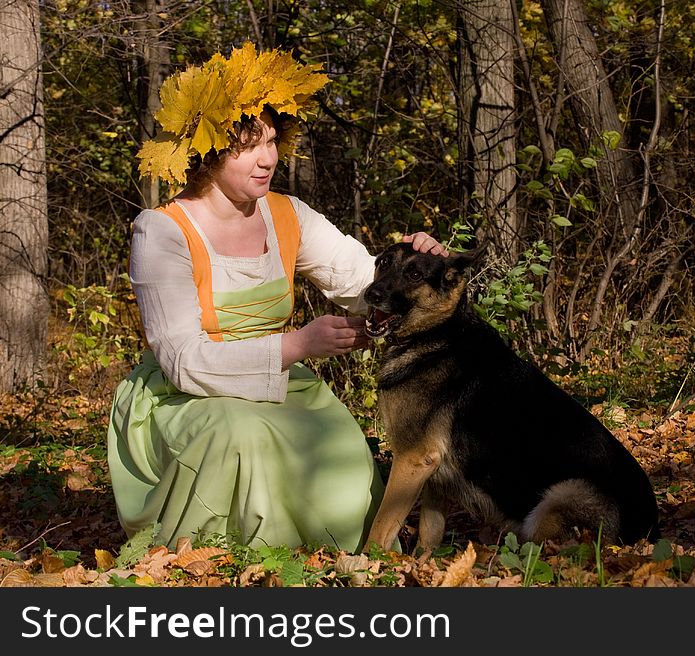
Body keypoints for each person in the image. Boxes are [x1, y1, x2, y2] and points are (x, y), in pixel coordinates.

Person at [107, 43, 447, 553]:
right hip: (185, 396)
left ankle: (331, 562)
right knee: (239, 435)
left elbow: (362, 283)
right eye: (248, 145)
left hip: (282, 383)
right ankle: (217, 563)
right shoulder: (161, 232)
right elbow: (180, 360)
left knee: (339, 454)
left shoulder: (288, 214)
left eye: (271, 141)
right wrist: (296, 346)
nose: (267, 158)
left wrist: (421, 267)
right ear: (209, 149)